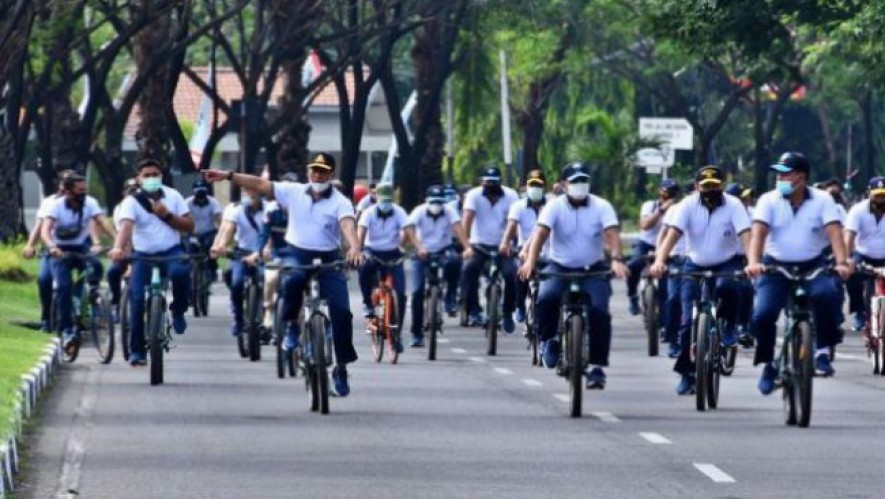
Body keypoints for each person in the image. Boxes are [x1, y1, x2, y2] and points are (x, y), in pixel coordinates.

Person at [202, 152, 362, 397]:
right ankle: (292, 329)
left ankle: (340, 367)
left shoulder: (340, 201)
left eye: (323, 171)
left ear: (331, 174)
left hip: (329, 258)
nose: (317, 174)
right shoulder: (294, 191)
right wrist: (228, 175)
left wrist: (354, 247)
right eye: (314, 170)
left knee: (341, 311)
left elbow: (348, 225)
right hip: (299, 253)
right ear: (309, 171)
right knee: (293, 281)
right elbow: (258, 183)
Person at [745, 152, 850, 394]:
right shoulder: (768, 200)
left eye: (785, 174)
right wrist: (753, 262)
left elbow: (834, 233)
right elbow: (758, 233)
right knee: (763, 315)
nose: (779, 178)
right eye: (778, 174)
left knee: (827, 294)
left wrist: (843, 263)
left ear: (801, 178)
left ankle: (822, 350)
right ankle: (769, 364)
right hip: (775, 265)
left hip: (813, 263)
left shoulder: (823, 200)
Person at [517, 162, 629, 389]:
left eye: (583, 181)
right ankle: (550, 340)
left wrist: (616, 259)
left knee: (600, 312)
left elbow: (612, 233)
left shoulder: (601, 206)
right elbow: (541, 233)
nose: (580, 185)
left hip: (593, 269)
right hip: (560, 267)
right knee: (546, 298)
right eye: (575, 181)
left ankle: (597, 367)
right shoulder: (554, 206)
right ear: (564, 185)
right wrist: (530, 261)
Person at [650, 167, 751, 395]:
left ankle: (729, 327)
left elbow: (746, 234)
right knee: (687, 324)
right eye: (705, 187)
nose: (710, 190)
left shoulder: (734, 205)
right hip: (694, 263)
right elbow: (672, 235)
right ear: (697, 187)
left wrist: (752, 261)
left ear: (722, 186)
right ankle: (687, 373)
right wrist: (659, 261)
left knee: (729, 287)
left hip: (727, 261)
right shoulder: (686, 205)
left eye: (715, 186)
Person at [109, 159, 195, 366]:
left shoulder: (173, 196)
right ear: (138, 179)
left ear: (162, 176)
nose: (151, 178)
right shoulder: (131, 202)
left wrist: (167, 215)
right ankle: (137, 351)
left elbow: (189, 226)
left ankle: (178, 310)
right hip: (142, 256)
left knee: (181, 273)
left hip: (171, 252)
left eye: (155, 174)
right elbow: (126, 227)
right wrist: (119, 248)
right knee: (137, 301)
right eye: (146, 175)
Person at [40, 173, 115, 350]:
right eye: (78, 191)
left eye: (84, 191)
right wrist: (51, 246)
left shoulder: (90, 203)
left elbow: (102, 221)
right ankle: (66, 329)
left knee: (96, 265)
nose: (83, 195)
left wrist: (117, 242)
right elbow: (45, 230)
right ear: (67, 192)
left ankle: (93, 297)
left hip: (79, 247)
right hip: (59, 250)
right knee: (64, 287)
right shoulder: (55, 206)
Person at [405, 185, 469, 347]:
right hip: (422, 252)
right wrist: (419, 247)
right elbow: (410, 229)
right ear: (427, 201)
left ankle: (450, 298)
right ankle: (416, 333)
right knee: (417, 292)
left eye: (439, 202)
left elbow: (458, 228)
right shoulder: (419, 211)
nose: (436, 205)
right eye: (433, 202)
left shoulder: (449, 211)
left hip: (443, 250)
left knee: (455, 261)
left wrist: (467, 247)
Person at [460, 165, 520, 332]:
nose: (491, 186)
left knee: (511, 274)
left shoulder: (511, 195)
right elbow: (466, 221)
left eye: (495, 182)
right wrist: (466, 247)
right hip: (479, 244)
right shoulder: (473, 195)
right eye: (488, 182)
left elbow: (513, 222)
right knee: (469, 269)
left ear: (500, 182)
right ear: (482, 182)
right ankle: (473, 310)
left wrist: (509, 243)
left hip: (503, 245)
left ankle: (508, 312)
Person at [356, 183, 411, 352]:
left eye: (389, 200)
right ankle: (367, 303)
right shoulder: (368, 213)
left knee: (400, 295)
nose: (386, 203)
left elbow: (408, 231)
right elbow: (361, 233)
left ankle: (396, 335)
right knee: (364, 267)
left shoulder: (399, 211)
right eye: (383, 200)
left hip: (393, 252)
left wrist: (411, 246)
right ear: (377, 198)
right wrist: (357, 251)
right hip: (372, 251)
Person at [22, 170, 77, 332]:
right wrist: (30, 245)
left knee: (85, 277)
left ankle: (87, 311)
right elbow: (40, 226)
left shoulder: (85, 202)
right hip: (52, 250)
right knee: (44, 279)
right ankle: (46, 317)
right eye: (65, 182)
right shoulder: (50, 203)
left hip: (76, 250)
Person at [210, 186, 266, 337]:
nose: (249, 194)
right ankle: (238, 317)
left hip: (264, 255)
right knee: (236, 283)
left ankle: (268, 319)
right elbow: (227, 229)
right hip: (241, 253)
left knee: (269, 283)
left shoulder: (269, 210)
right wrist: (220, 246)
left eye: (252, 190)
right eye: (245, 192)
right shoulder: (237, 211)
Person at [500, 169, 549, 325]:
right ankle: (519, 305)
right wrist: (505, 243)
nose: (535, 188)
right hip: (524, 252)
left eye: (539, 185)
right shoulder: (518, 206)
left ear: (544, 187)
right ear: (526, 187)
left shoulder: (552, 205)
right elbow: (511, 226)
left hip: (548, 253)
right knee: (520, 273)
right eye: (532, 185)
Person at [627, 179, 680, 315]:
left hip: (665, 245)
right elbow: (645, 225)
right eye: (665, 191)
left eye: (671, 192)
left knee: (666, 281)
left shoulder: (678, 209)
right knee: (633, 265)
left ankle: (663, 319)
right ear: (659, 191)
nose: (667, 194)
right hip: (645, 243)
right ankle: (632, 296)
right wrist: (661, 210)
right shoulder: (649, 206)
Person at [845, 177, 885, 332]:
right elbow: (849, 237)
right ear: (869, 194)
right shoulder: (858, 210)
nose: (881, 200)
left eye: (884, 195)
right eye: (877, 195)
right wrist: (847, 259)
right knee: (851, 275)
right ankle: (859, 313)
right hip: (863, 255)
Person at [256, 173, 295, 330]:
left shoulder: (302, 210)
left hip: (298, 256)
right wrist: (258, 251)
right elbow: (263, 233)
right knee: (270, 279)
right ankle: (268, 311)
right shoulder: (271, 211)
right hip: (278, 254)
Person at [106, 178, 140, 322]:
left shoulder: (149, 206)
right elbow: (123, 233)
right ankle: (116, 302)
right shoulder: (120, 209)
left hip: (143, 250)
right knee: (113, 272)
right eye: (129, 192)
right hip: (126, 249)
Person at [186, 180, 222, 281]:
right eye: (198, 194)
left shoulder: (213, 202)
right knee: (190, 252)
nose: (201, 198)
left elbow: (218, 219)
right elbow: (183, 217)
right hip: (193, 233)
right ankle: (192, 274)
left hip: (208, 232)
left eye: (202, 193)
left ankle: (212, 269)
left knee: (210, 249)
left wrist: (221, 234)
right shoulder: (187, 202)